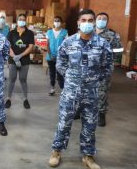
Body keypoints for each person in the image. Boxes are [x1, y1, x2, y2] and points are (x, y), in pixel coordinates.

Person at [49, 9, 113, 169]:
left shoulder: (103, 44)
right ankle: (56, 151)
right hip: (70, 93)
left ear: (94, 23)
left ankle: (88, 156)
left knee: (90, 125)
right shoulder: (69, 42)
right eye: (83, 20)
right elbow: (60, 63)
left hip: (91, 94)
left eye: (90, 20)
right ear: (78, 23)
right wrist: (72, 78)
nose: (87, 23)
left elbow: (108, 67)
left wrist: (94, 81)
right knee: (64, 123)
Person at [95, 12, 123, 127]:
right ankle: (79, 111)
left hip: (103, 69)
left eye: (104, 19)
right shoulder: (88, 32)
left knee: (102, 92)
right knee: (83, 91)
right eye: (99, 18)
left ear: (107, 21)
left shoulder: (112, 35)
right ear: (95, 20)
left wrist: (110, 64)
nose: (101, 20)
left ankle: (101, 115)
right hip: (87, 68)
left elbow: (118, 51)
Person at [5, 14, 34, 109]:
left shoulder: (29, 33)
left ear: (25, 21)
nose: (22, 21)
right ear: (17, 21)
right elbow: (8, 46)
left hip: (25, 60)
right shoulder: (11, 33)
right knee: (12, 79)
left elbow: (30, 46)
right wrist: (14, 57)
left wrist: (21, 55)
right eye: (20, 19)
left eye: (23, 19)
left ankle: (25, 99)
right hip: (13, 60)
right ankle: (8, 99)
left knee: (23, 79)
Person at [46, 16, 68, 96]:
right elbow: (47, 45)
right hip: (50, 56)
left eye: (58, 21)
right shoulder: (49, 32)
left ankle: (62, 89)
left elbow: (66, 45)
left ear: (61, 22)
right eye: (55, 21)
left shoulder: (65, 32)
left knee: (60, 73)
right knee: (52, 73)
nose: (56, 22)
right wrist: (50, 55)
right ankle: (52, 88)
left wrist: (61, 56)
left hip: (61, 57)